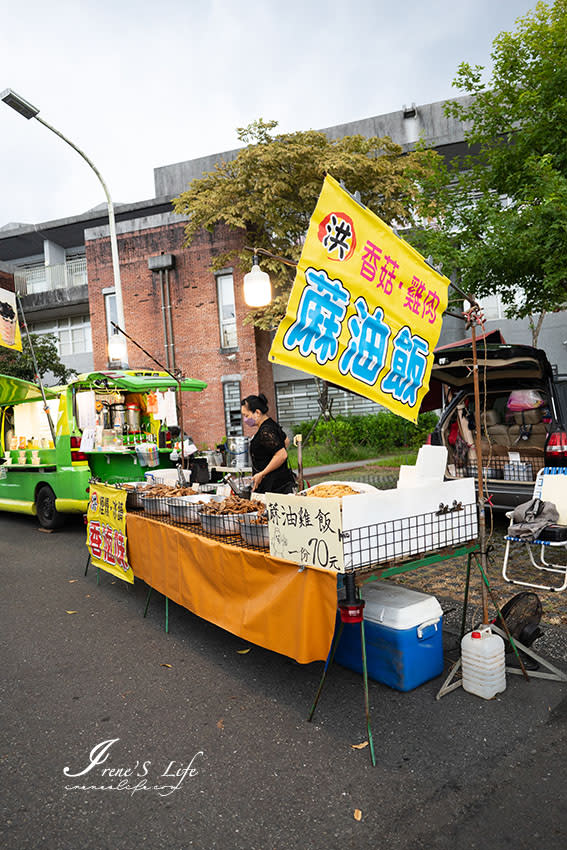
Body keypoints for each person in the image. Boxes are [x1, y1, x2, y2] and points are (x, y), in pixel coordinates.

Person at [241, 393, 296, 494]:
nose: (245, 419)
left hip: (274, 486)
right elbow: (286, 441)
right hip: (279, 480)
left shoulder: (265, 431)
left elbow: (282, 455)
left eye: (246, 415)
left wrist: (262, 473)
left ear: (257, 412)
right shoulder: (271, 424)